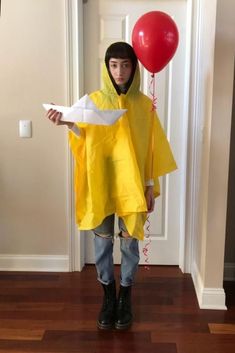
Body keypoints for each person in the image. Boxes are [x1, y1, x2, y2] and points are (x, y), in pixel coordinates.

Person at [46, 42, 177, 330]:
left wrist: (150, 185)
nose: (120, 71)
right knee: (103, 244)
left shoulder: (144, 105)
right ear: (107, 67)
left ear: (134, 67)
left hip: (132, 186)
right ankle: (107, 295)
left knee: (130, 244)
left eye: (126, 65)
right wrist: (67, 123)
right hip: (102, 184)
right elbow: (85, 138)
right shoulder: (91, 101)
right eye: (114, 65)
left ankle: (125, 296)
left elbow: (152, 149)